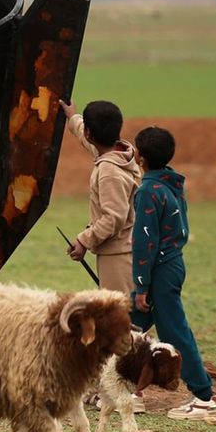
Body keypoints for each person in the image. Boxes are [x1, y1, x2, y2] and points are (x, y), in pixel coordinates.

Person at [129, 126, 216, 421]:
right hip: (172, 264)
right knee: (130, 327)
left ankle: (204, 397)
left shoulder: (147, 191)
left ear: (140, 157)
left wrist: (142, 284)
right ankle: (126, 390)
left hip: (159, 271)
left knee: (174, 333)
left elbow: (145, 240)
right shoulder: (171, 184)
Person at [59, 99, 142, 296]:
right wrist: (72, 117)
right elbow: (88, 139)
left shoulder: (109, 171)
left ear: (90, 133)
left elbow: (114, 218)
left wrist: (83, 241)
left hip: (118, 256)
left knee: (122, 318)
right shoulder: (120, 153)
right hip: (127, 249)